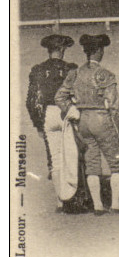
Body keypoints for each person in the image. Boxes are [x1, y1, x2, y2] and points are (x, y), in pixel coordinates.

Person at [55, 34, 119, 215]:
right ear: (99, 51)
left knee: (92, 163)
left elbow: (59, 97)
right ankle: (115, 203)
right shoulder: (105, 74)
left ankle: (97, 205)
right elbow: (114, 106)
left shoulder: (75, 74)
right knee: (117, 162)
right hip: (101, 119)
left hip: (83, 121)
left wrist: (72, 111)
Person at [25, 34, 77, 186]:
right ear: (62, 49)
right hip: (67, 113)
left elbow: (31, 101)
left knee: (54, 159)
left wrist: (38, 124)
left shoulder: (38, 70)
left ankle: (60, 201)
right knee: (74, 155)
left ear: (48, 50)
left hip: (48, 116)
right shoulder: (70, 68)